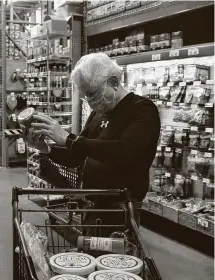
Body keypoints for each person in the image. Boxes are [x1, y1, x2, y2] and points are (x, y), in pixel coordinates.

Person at [28, 53, 161, 233]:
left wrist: (69, 139)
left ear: (113, 82)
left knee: (114, 257)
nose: (90, 102)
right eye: (85, 96)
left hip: (121, 207)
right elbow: (76, 155)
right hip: (93, 204)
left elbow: (124, 152)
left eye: (92, 94)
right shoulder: (99, 113)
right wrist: (47, 149)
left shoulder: (143, 110)